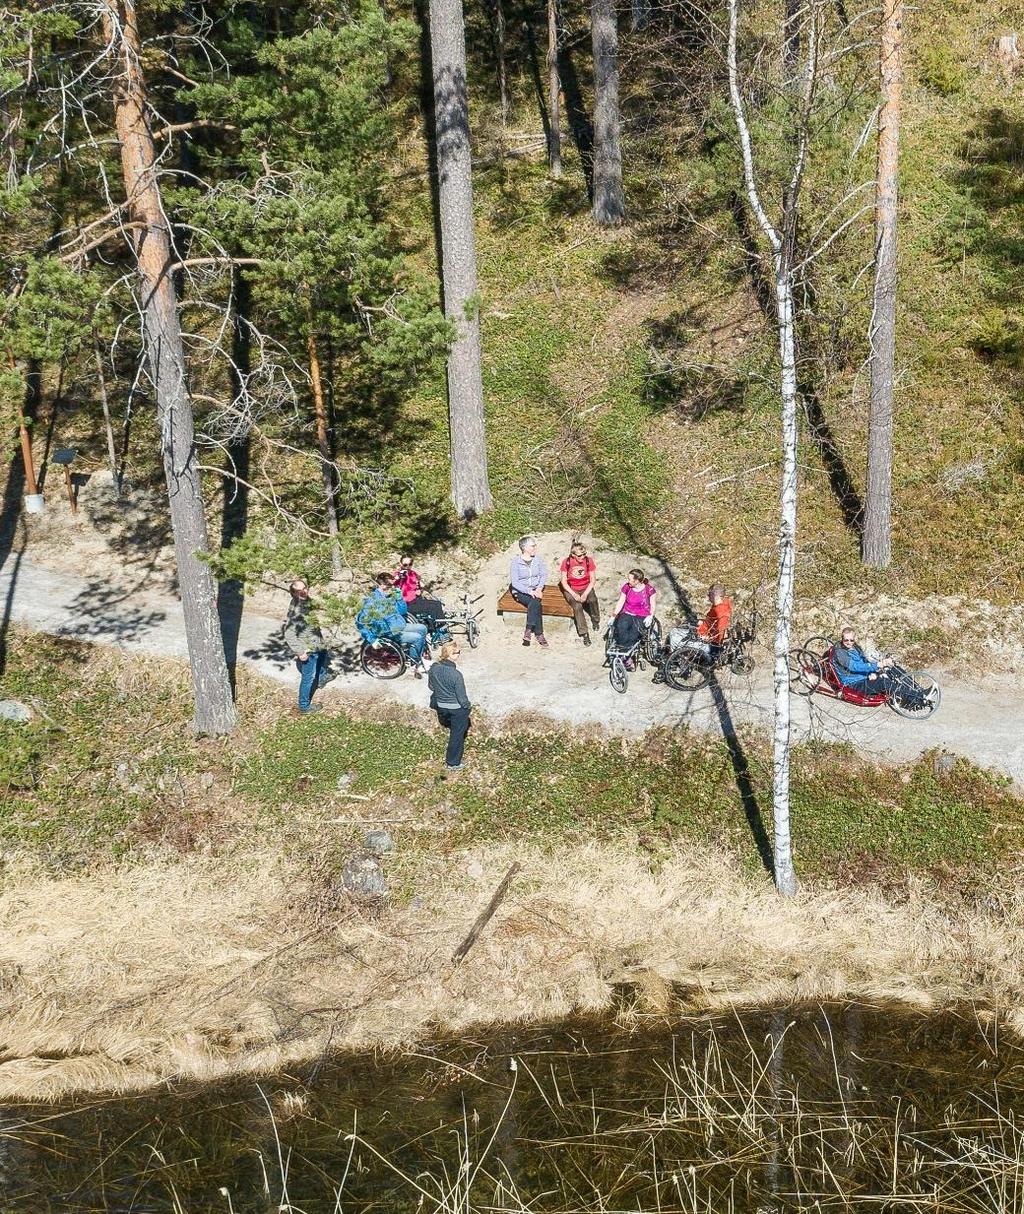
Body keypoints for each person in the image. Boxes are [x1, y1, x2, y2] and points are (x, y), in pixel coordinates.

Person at [356, 573, 430, 676]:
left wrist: (399, 599)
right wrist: (372, 640)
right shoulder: (371, 602)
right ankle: (414, 664)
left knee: (422, 628)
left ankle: (417, 655)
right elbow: (361, 623)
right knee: (417, 637)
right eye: (392, 585)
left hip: (398, 625)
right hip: (388, 632)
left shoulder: (389, 597)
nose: (394, 587)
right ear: (383, 586)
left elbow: (403, 612)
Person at [283, 578, 330, 714]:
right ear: (293, 593)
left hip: (317, 642)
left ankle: (321, 678)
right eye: (299, 590)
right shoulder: (296, 611)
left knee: (323, 655)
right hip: (308, 648)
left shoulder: (305, 601)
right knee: (308, 678)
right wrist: (300, 652)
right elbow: (289, 634)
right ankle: (304, 706)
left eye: (305, 588)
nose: (304, 591)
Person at [830, 626, 915, 700]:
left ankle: (917, 689)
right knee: (883, 683)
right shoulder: (840, 653)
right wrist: (877, 665)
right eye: (846, 640)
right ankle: (915, 697)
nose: (849, 642)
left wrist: (873, 673)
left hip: (864, 677)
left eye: (851, 640)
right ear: (842, 639)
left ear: (854, 639)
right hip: (854, 683)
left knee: (894, 670)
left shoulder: (855, 647)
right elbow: (854, 667)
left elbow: (865, 661)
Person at [428, 640, 472, 770]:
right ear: (452, 655)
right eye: (458, 652)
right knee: (457, 736)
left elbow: (431, 686)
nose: (459, 655)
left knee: (450, 722)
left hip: (441, 705)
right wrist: (468, 707)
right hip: (456, 708)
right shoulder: (456, 675)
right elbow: (462, 698)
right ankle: (453, 763)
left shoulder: (433, 668)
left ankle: (447, 723)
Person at [609, 568, 657, 669]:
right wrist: (614, 615)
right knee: (621, 627)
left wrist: (650, 616)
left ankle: (626, 656)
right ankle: (625, 655)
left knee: (634, 633)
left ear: (637, 581)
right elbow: (621, 601)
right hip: (627, 612)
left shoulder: (649, 590)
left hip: (642, 615)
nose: (628, 581)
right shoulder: (627, 587)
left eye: (630, 579)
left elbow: (653, 605)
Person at [509, 535, 548, 648]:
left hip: (536, 590)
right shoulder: (516, 562)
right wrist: (529, 591)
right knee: (536, 603)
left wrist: (539, 588)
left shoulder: (538, 559)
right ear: (525, 548)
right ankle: (538, 634)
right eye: (533, 545)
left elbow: (543, 574)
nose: (535, 547)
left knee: (535, 603)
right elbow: (515, 582)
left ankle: (528, 630)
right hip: (521, 591)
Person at [559, 541, 600, 646]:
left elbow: (593, 580)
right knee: (577, 607)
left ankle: (595, 619)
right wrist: (575, 595)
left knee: (593, 600)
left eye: (584, 554)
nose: (583, 556)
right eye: (580, 555)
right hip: (571, 588)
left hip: (586, 586)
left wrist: (585, 594)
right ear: (573, 555)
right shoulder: (566, 562)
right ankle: (584, 633)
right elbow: (564, 582)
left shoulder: (588, 561)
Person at [394, 554, 444, 623]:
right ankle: (439, 625)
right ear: (401, 564)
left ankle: (440, 624)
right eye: (405, 565)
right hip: (407, 603)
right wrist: (400, 575)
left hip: (416, 600)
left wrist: (419, 588)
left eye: (410, 564)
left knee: (437, 604)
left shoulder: (413, 573)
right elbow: (393, 581)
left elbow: (419, 585)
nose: (408, 567)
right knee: (432, 607)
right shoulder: (399, 574)